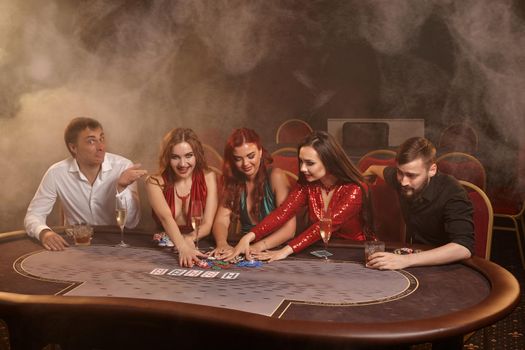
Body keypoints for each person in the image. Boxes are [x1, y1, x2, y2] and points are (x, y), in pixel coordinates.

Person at [223, 130, 372, 262]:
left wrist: (285, 251)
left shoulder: (354, 190)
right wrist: (248, 237)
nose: (302, 168)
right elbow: (282, 213)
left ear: (329, 161)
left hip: (352, 252)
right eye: (301, 161)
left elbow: (323, 226)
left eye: (310, 163)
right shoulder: (307, 186)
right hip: (317, 249)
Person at [24, 117, 146, 251]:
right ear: (73, 147)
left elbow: (132, 223)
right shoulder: (56, 173)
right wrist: (44, 233)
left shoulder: (123, 167)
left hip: (116, 245)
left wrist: (121, 188)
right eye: (91, 141)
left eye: (102, 139)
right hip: (76, 246)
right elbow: (33, 215)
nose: (101, 147)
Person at [363, 136, 474, 270]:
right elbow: (378, 169)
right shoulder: (402, 179)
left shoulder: (453, 192)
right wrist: (370, 171)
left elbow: (464, 247)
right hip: (415, 259)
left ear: (432, 170)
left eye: (412, 175)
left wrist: (406, 260)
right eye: (400, 172)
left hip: (447, 266)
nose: (404, 182)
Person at [211, 128, 295, 258]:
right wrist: (222, 244)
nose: (245, 164)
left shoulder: (276, 176)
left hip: (275, 249)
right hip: (245, 248)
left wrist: (254, 247)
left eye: (251, 156)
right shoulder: (234, 180)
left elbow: (289, 230)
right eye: (238, 159)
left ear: (260, 152)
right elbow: (221, 220)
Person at [145, 128, 218, 267]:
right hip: (165, 247)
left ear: (197, 155)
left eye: (188, 155)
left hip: (198, 242)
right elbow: (166, 218)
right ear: (167, 157)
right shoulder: (154, 182)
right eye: (175, 157)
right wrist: (183, 247)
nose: (183, 164)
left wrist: (189, 239)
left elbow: (207, 224)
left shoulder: (209, 177)